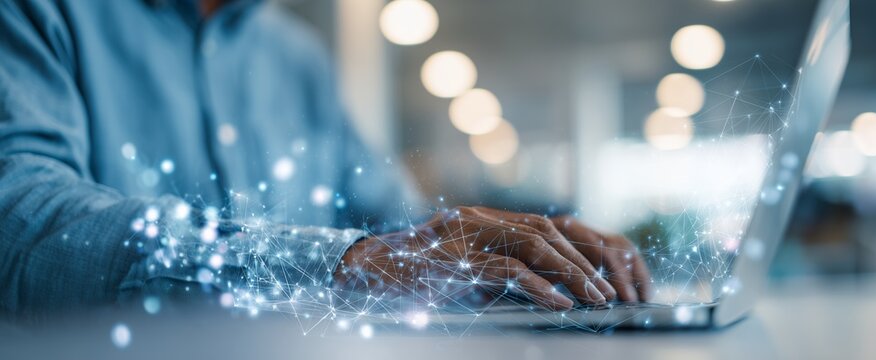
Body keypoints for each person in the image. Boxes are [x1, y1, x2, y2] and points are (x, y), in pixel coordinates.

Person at [0, 0, 650, 323]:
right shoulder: (38, 11)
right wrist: (346, 263)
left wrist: (506, 251)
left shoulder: (295, 56)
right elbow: (19, 219)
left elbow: (393, 220)